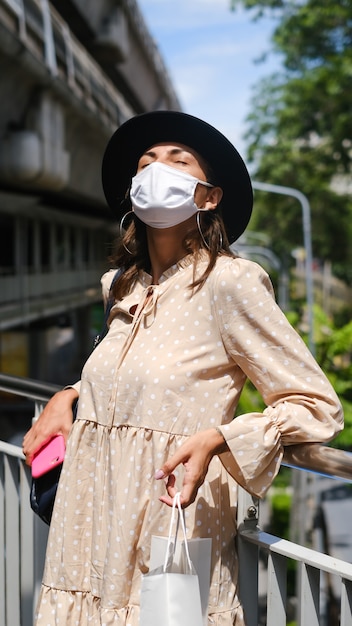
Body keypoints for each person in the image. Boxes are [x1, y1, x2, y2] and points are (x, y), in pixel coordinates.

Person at [23, 110, 343, 626]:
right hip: (91, 519)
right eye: (145, 162)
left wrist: (220, 437)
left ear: (209, 196)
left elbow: (315, 406)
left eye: (178, 160)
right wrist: (71, 393)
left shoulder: (231, 283)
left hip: (170, 514)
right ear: (131, 193)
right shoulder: (121, 287)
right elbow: (134, 376)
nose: (156, 169)